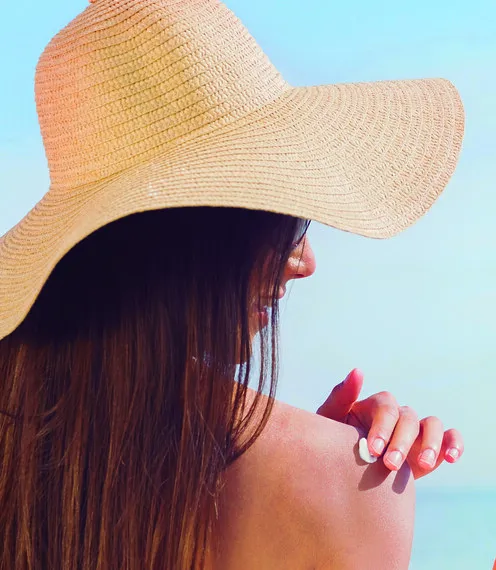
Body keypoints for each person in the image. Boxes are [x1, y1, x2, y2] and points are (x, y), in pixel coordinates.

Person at [0, 0, 465, 569]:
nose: (307, 261)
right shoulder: (350, 485)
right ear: (199, 232)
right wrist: (327, 475)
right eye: (287, 219)